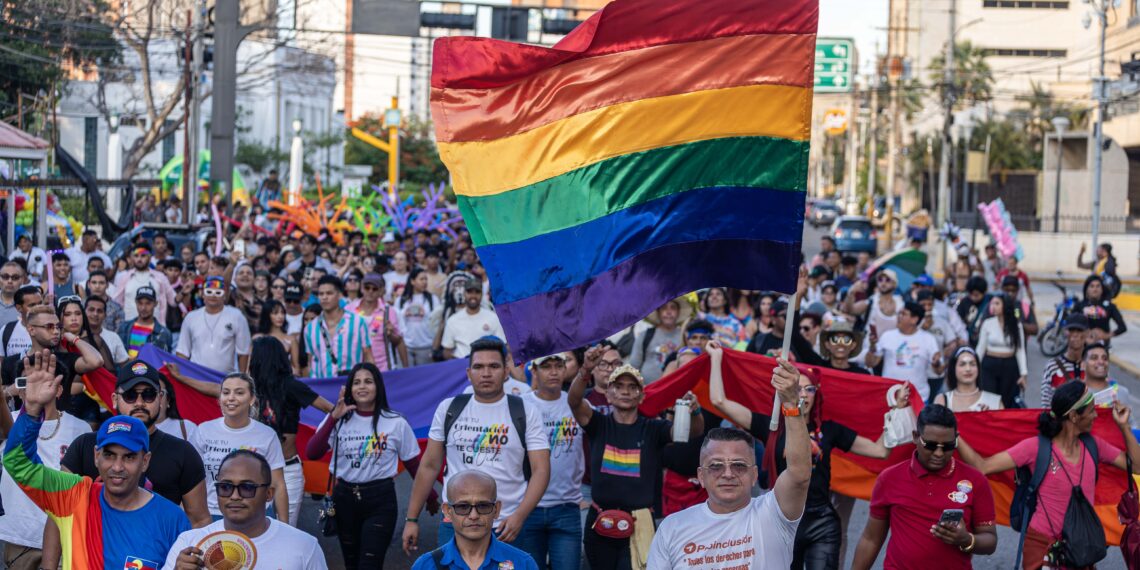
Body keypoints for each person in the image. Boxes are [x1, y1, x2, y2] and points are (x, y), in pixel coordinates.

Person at [706, 341, 901, 569]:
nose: (804, 394)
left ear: (816, 395)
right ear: (786, 391)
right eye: (797, 388)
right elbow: (719, 401)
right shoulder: (771, 426)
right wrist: (716, 357)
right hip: (780, 521)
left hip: (821, 521)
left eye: (809, 389)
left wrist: (896, 410)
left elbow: (880, 450)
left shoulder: (830, 429)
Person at [3, 351, 190, 568]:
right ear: (96, 456)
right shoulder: (73, 497)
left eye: (129, 457)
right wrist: (33, 410)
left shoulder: (173, 520)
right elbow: (18, 464)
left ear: (145, 461)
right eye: (109, 455)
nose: (117, 467)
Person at [956, 381, 1140, 569]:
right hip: (1042, 546)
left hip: (1081, 545)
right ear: (1074, 416)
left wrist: (1124, 427)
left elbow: (1137, 466)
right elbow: (983, 467)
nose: (1095, 415)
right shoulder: (1035, 447)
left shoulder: (1094, 445)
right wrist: (955, 434)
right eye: (1091, 410)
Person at [404, 337, 551, 556]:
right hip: (454, 524)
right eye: (478, 367)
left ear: (506, 371)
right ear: (468, 373)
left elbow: (541, 469)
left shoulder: (526, 411)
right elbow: (429, 466)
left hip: (505, 525)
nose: (486, 373)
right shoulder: (449, 408)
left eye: (494, 366)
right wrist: (411, 519)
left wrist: (519, 516)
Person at [568, 349, 702, 570]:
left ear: (641, 396)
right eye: (618, 387)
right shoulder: (598, 424)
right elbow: (573, 401)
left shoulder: (653, 429)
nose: (625, 392)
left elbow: (694, 433)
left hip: (640, 526)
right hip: (599, 522)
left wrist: (695, 412)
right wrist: (585, 370)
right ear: (608, 394)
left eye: (632, 387)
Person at [307, 362, 434, 568]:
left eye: (368, 381)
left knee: (369, 565)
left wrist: (431, 497)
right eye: (356, 382)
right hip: (344, 498)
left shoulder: (395, 422)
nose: (362, 386)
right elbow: (313, 452)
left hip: (381, 500)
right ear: (349, 389)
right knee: (351, 563)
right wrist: (333, 417)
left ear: (378, 386)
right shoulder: (339, 419)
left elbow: (414, 464)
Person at [852, 405, 998, 569]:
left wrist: (966, 539)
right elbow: (871, 539)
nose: (938, 453)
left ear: (956, 439)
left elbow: (990, 540)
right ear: (915, 437)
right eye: (930, 445)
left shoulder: (975, 481)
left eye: (948, 446)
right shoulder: (889, 478)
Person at [648, 421, 807, 568]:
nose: (728, 474)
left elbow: (799, 476)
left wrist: (792, 407)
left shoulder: (773, 513)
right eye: (716, 466)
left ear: (754, 475)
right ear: (701, 476)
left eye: (739, 465)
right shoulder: (672, 528)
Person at [0, 350, 90, 570]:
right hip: (18, 539)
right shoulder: (7, 423)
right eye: (25, 381)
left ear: (59, 389)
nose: (31, 386)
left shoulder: (81, 429)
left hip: (64, 537)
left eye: (40, 380)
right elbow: (18, 459)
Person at [165, 450, 327, 570]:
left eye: (247, 487)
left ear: (269, 494)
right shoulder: (189, 544)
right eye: (226, 487)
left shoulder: (304, 546)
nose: (235, 496)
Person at [247, 336, 332, 525]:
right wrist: (182, 378)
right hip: (253, 471)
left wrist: (324, 436)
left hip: (287, 471)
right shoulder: (248, 388)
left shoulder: (291, 386)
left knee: (285, 531)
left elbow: (330, 409)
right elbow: (218, 390)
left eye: (253, 356)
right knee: (252, 530)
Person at [190, 372, 289, 523]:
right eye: (226, 392)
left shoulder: (267, 435)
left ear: (252, 399)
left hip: (257, 515)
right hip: (213, 514)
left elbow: (278, 484)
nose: (231, 398)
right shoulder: (203, 431)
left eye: (239, 392)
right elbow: (191, 479)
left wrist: (284, 524)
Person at [518, 353, 585, 570]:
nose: (554, 371)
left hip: (567, 507)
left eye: (559, 365)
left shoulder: (577, 404)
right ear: (534, 371)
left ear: (566, 370)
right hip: (527, 507)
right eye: (546, 367)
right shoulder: (520, 406)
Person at [411, 471, 540, 570]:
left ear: (496, 509)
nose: (473, 515)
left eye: (483, 506)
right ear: (447, 511)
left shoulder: (523, 563)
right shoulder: (426, 565)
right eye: (463, 507)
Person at [864, 301, 945, 403]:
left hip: (918, 398)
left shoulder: (928, 339)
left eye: (903, 314)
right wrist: (872, 346)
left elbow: (939, 371)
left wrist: (936, 363)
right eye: (899, 313)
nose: (899, 316)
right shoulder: (887, 336)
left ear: (914, 319)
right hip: (890, 397)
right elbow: (870, 363)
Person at [176, 276, 252, 373]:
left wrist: (241, 378)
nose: (213, 295)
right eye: (209, 292)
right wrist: (183, 375)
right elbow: (182, 352)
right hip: (195, 377)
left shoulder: (236, 316)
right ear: (203, 294)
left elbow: (243, 352)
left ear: (224, 296)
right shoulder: (191, 317)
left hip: (226, 379)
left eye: (218, 292)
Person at [306, 275, 376, 377]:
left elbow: (368, 357)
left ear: (339, 295)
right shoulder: (310, 328)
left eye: (329, 293)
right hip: (322, 388)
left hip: (351, 386)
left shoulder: (358, 322)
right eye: (321, 294)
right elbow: (310, 362)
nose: (324, 297)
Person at [345, 273, 407, 371]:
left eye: (375, 289)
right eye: (367, 288)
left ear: (381, 291)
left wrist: (391, 334)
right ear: (361, 288)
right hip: (355, 368)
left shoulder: (389, 311)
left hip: (383, 368)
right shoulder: (349, 310)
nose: (370, 291)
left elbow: (399, 341)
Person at [976, 293, 1028, 409]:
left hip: (1009, 365)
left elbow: (1020, 350)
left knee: (1007, 400)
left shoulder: (1016, 325)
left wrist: (1023, 374)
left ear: (1005, 305)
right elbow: (980, 348)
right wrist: (974, 365)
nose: (993, 306)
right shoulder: (987, 323)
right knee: (989, 399)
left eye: (997, 303)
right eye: (992, 303)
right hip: (989, 364)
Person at [441, 279, 506, 360]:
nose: (473, 296)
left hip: (486, 365)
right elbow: (447, 351)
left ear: (482, 294)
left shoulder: (493, 317)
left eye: (477, 292)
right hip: (461, 366)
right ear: (464, 293)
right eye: (469, 292)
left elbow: (502, 345)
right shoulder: (453, 320)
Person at [113, 243, 178, 322]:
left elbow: (173, 301)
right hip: (130, 329)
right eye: (136, 256)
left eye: (143, 256)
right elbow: (116, 303)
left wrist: (184, 293)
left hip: (155, 330)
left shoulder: (160, 278)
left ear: (150, 257)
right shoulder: (124, 277)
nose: (139, 259)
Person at [628, 298, 688, 384]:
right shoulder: (645, 335)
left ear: (678, 312)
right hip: (646, 389)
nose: (668, 312)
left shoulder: (685, 336)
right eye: (664, 308)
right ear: (658, 312)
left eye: (673, 307)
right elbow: (633, 366)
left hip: (676, 389)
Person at [1042, 314, 1089, 409]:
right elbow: (1046, 403)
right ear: (1065, 332)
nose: (1075, 334)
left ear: (1087, 333)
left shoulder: (1093, 365)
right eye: (1071, 330)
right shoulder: (1052, 366)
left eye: (1079, 330)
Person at [934, 347, 1003, 412]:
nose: (968, 369)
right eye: (962, 364)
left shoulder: (995, 402)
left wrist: (989, 417)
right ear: (953, 369)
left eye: (972, 364)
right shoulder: (942, 400)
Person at [397, 267, 441, 367]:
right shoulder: (401, 300)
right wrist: (405, 312)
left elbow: (437, 322)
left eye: (426, 279)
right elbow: (397, 322)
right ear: (412, 281)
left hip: (426, 346)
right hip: (406, 346)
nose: (424, 282)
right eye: (421, 279)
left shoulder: (433, 299)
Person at [844, 269, 904, 337]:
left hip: (892, 346)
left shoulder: (901, 304)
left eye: (887, 280)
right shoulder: (871, 301)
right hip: (870, 346)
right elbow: (851, 310)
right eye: (880, 280)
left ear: (894, 284)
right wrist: (851, 292)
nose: (883, 283)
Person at [118, 286, 174, 358]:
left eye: (148, 303)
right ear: (136, 303)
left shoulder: (165, 333)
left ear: (156, 304)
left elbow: (165, 361)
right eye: (140, 303)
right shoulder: (123, 327)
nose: (143, 308)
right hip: (126, 369)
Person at [1073, 274, 1127, 343]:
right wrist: (1084, 335)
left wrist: (1107, 335)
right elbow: (1070, 325)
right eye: (1092, 286)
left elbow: (1122, 327)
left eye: (1098, 286)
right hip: (1083, 345)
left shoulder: (1109, 306)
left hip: (1102, 346)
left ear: (1102, 289)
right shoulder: (1079, 305)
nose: (1095, 289)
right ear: (1087, 289)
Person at [255, 299, 303, 372]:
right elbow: (250, 366)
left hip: (284, 380)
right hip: (261, 380)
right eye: (275, 313)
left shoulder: (291, 339)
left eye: (282, 312)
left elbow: (296, 368)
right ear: (267, 315)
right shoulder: (258, 338)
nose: (280, 316)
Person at [85, 295, 129, 369]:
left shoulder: (113, 337)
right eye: (91, 310)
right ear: (84, 312)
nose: (95, 314)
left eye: (99, 311)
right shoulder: (77, 336)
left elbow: (125, 365)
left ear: (105, 315)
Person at [2, 285, 42, 358]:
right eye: (32, 305)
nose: (38, 308)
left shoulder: (53, 329)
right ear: (19, 308)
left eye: (40, 303)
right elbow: (2, 362)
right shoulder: (7, 330)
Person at [87, 270, 125, 334]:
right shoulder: (81, 305)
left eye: (101, 283)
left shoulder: (116, 308)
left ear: (107, 285)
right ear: (88, 284)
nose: (97, 286)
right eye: (94, 282)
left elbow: (119, 333)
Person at [0, 261, 25, 329]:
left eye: (15, 277)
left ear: (22, 280)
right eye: (5, 277)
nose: (10, 281)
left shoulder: (27, 304)